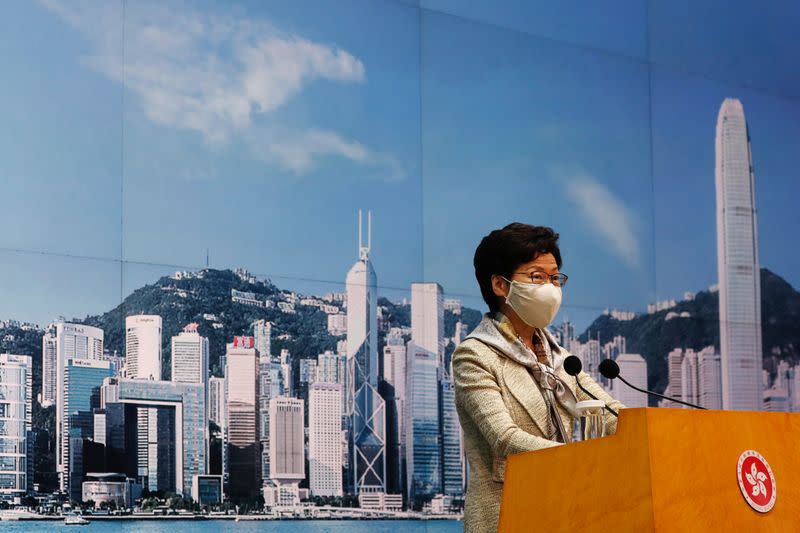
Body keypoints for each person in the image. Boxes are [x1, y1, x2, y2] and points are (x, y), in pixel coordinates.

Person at [453, 223, 624, 532]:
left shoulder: (561, 359)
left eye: (555, 278)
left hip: (567, 514)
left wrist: (654, 429)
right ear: (499, 285)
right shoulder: (475, 355)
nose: (550, 287)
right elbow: (505, 438)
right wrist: (584, 460)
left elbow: (611, 413)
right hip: (507, 517)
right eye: (536, 277)